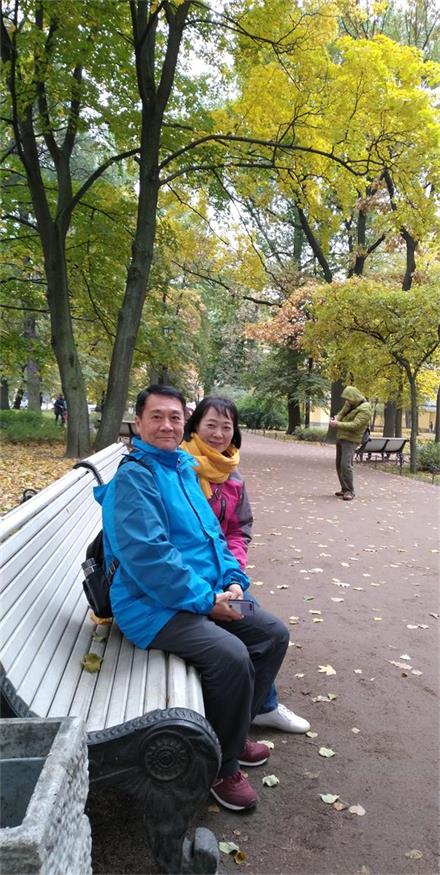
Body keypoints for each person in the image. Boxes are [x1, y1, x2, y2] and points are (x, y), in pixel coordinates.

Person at [94, 384, 289, 812]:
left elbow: (214, 538)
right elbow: (150, 560)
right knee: (231, 656)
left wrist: (234, 580)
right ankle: (220, 768)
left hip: (201, 594)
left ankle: (231, 736)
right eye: (157, 417)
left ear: (184, 423)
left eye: (175, 417)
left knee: (271, 633)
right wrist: (208, 601)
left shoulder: (182, 467)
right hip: (150, 607)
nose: (167, 425)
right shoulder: (135, 479)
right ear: (138, 423)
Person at [182, 396, 310, 734]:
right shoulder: (181, 469)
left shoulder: (232, 475)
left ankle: (257, 709)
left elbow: (239, 530)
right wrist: (211, 587)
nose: (218, 434)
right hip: (192, 582)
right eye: (211, 425)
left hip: (225, 576)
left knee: (264, 626)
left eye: (226, 427)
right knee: (255, 635)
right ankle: (250, 715)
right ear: (195, 426)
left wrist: (234, 577)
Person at [329, 385, 371, 501]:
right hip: (341, 436)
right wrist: (336, 419)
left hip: (351, 439)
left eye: (349, 399)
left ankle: (350, 491)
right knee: (339, 464)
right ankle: (344, 488)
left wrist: (337, 424)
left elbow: (355, 425)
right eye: (346, 399)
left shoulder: (365, 409)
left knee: (345, 465)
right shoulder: (350, 403)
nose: (347, 401)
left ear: (355, 397)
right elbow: (341, 413)